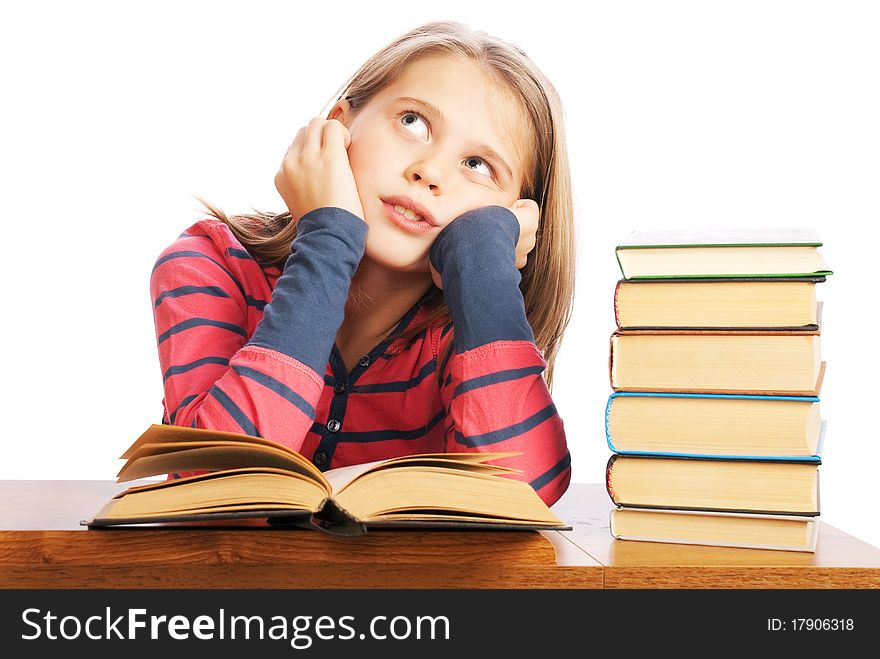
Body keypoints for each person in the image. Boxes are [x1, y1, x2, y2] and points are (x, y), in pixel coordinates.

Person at [150, 20, 575, 506]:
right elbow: (217, 483)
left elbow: (519, 497)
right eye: (413, 122)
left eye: (477, 165)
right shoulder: (210, 262)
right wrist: (328, 238)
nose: (430, 172)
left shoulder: (468, 330)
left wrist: (481, 265)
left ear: (516, 218)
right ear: (338, 127)